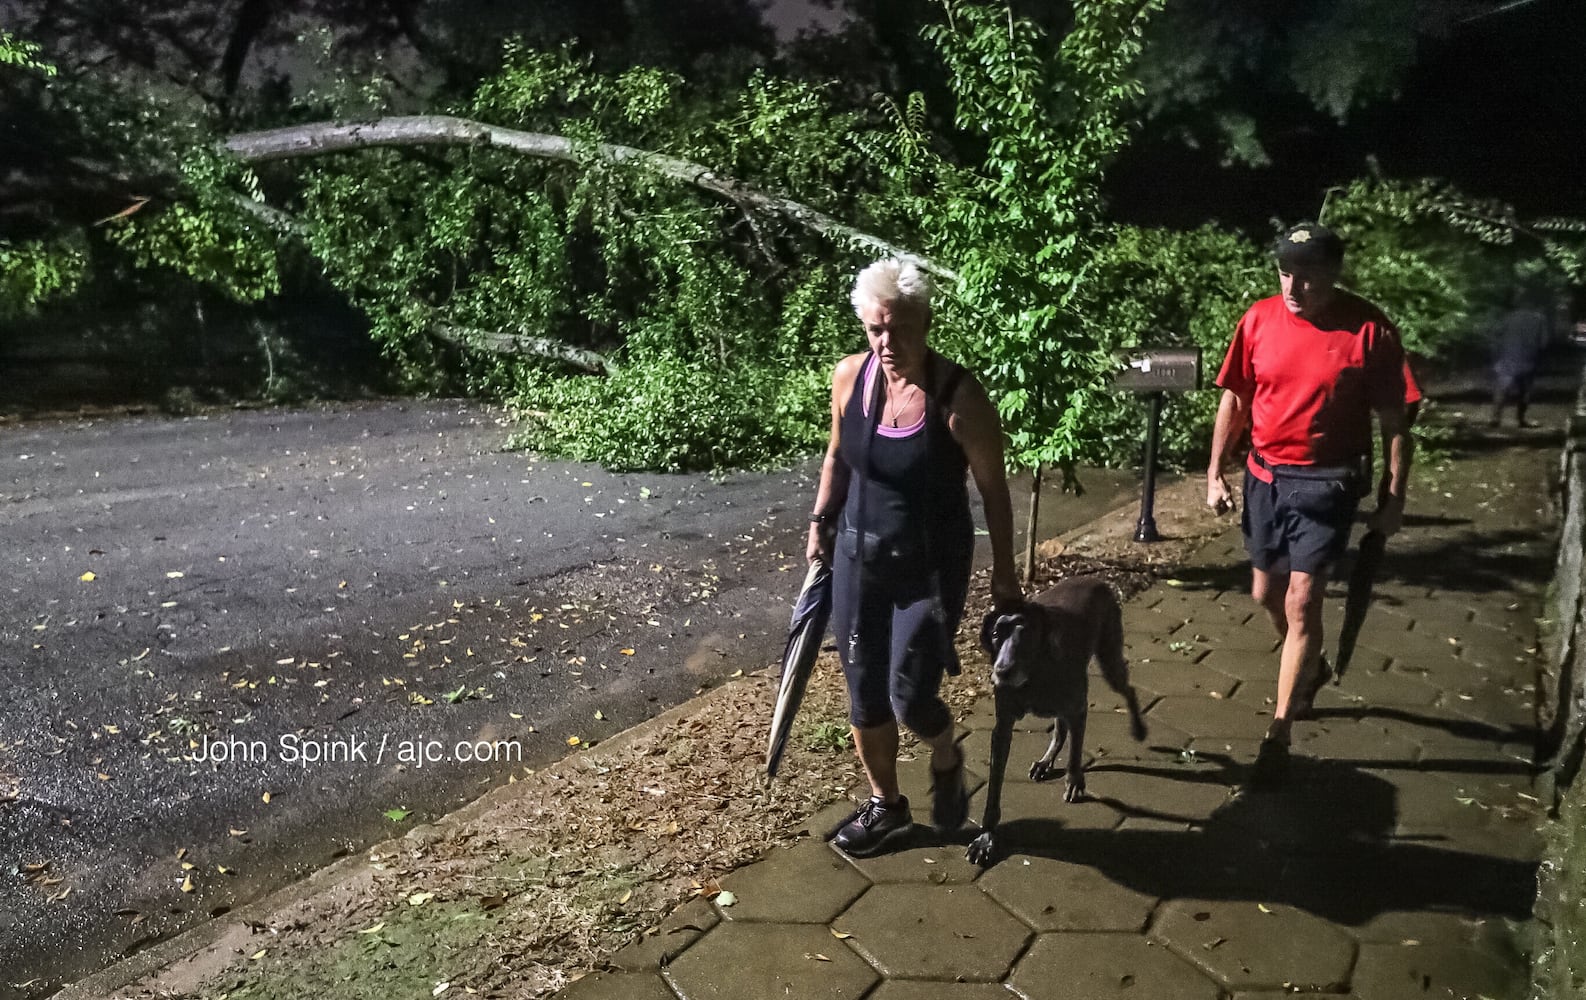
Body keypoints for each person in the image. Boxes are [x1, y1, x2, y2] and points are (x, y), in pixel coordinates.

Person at [807, 257, 1021, 856]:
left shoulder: (959, 396)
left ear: (924, 322)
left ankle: (946, 747)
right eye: (876, 329)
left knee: (910, 696)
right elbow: (836, 457)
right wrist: (821, 522)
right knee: (863, 692)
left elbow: (995, 493)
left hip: (927, 570)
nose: (886, 342)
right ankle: (888, 806)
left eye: (899, 328)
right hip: (858, 559)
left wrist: (1005, 577)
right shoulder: (850, 377)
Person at [1206, 223, 1411, 789]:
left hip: (1328, 486)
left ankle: (1279, 731)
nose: (1293, 285)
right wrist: (1215, 471)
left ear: (1333, 274)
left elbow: (1395, 424)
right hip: (1264, 480)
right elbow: (1236, 397)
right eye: (1285, 272)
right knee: (1265, 592)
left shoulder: (1370, 331)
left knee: (1302, 601)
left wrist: (1394, 496)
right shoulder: (1259, 319)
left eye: (1308, 275)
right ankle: (1312, 665)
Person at [1489, 292, 1549, 428]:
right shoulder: (1539, 319)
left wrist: (1496, 356)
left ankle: (1495, 418)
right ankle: (1521, 419)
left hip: (1507, 359)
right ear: (1533, 304)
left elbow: (1495, 337)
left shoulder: (1508, 318)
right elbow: (1544, 343)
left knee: (1502, 390)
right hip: (1529, 359)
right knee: (1525, 392)